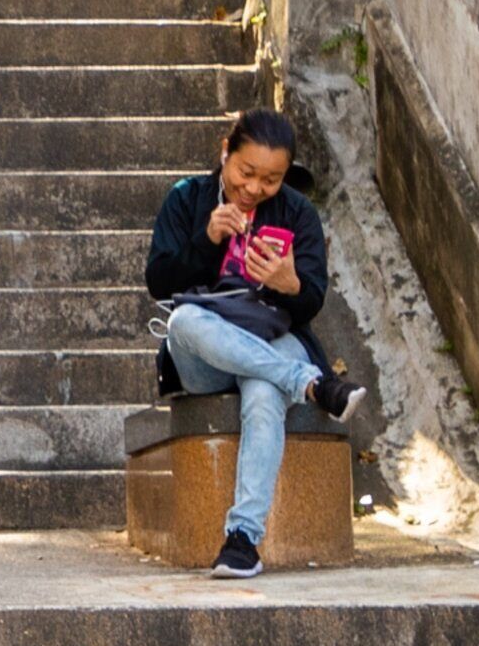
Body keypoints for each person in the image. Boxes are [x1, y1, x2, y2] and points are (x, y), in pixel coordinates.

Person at [143, 108, 367, 579]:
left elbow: (311, 300)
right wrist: (207, 240)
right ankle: (311, 383)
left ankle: (242, 540)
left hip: (273, 338)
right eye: (246, 172)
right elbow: (159, 282)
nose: (254, 188)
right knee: (183, 321)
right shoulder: (187, 198)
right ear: (226, 152)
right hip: (205, 355)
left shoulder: (298, 213)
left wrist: (290, 284)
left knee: (264, 392)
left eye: (271, 180)